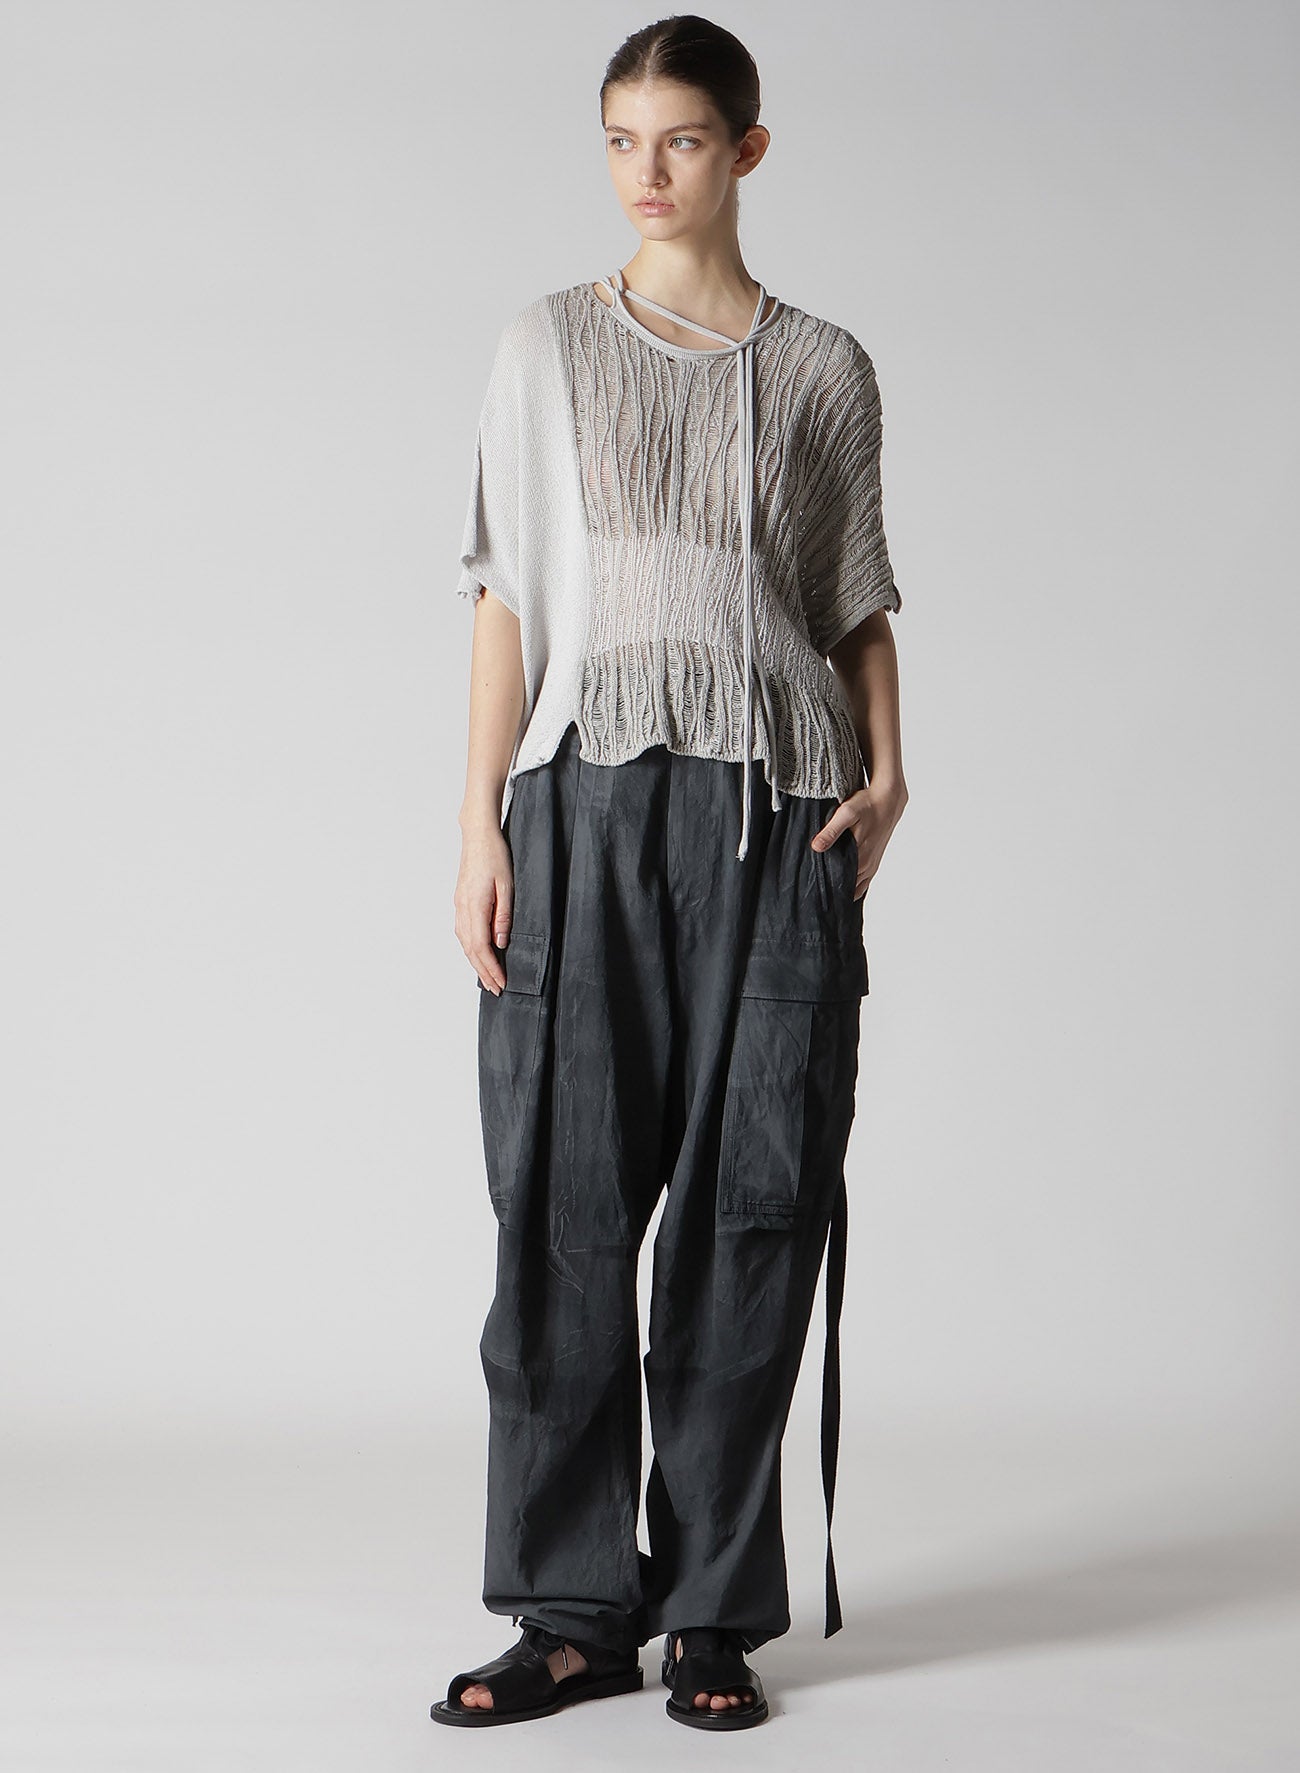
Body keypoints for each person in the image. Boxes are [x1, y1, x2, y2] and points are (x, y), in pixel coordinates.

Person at [431, 13, 909, 1734]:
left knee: (748, 1206)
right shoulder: (545, 346)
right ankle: (571, 1611)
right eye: (623, 139)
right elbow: (504, 597)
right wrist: (477, 820)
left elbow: (855, 598)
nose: (648, 171)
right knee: (561, 1205)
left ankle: (710, 1608)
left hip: (776, 815)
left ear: (747, 150)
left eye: (684, 139)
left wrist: (891, 771)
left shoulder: (827, 367)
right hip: (581, 805)